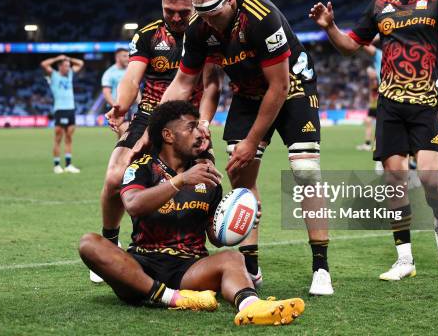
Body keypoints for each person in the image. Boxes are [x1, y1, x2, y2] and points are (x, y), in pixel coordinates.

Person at [150, 0, 333, 295]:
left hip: (292, 87)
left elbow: (279, 87)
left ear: (230, 0)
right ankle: (251, 267)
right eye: (201, 15)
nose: (209, 22)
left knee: (305, 170)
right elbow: (182, 82)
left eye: (214, 14)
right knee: (240, 176)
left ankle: (321, 266)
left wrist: (251, 142)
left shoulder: (261, 17)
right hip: (247, 94)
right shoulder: (198, 27)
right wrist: (154, 127)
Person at [310, 0, 438, 280]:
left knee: (429, 179)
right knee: (395, 181)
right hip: (390, 106)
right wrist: (330, 28)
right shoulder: (379, 5)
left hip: (426, 104)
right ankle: (404, 258)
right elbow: (351, 46)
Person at [79, 100, 304, 326]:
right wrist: (181, 181)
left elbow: (216, 238)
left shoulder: (207, 177)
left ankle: (251, 306)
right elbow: (133, 204)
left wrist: (241, 222)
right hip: (142, 266)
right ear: (168, 135)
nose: (200, 133)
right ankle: (172, 298)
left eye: (199, 126)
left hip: (190, 269)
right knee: (89, 244)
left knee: (233, 258)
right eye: (191, 127)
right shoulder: (142, 167)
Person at [92, 0, 222, 283]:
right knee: (113, 178)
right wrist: (121, 105)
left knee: (207, 183)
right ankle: (111, 244)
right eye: (169, 11)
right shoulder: (148, 35)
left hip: (190, 122)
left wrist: (203, 124)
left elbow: (212, 83)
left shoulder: (209, 33)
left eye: (183, 11)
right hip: (150, 115)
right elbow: (132, 78)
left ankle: (198, 253)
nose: (176, 17)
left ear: (194, 6)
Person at [41, 54, 84, 173]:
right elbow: (44, 64)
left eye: (69, 66)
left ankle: (69, 165)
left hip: (71, 109)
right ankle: (56, 165)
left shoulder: (70, 74)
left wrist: (69, 59)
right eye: (65, 66)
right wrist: (57, 58)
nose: (68, 68)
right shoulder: (54, 75)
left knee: (69, 138)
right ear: (59, 67)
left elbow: (80, 63)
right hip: (60, 110)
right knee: (58, 138)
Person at [356, 43, 382, 152]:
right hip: (376, 102)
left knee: (374, 123)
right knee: (369, 122)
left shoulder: (379, 55)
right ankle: (368, 144)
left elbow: (364, 43)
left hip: (381, 99)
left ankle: (374, 144)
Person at [101, 48, 133, 135]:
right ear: (117, 58)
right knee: (126, 134)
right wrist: (114, 105)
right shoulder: (110, 73)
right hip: (116, 109)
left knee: (124, 137)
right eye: (124, 56)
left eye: (128, 56)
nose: (127, 58)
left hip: (129, 107)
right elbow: (106, 92)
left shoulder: (130, 70)